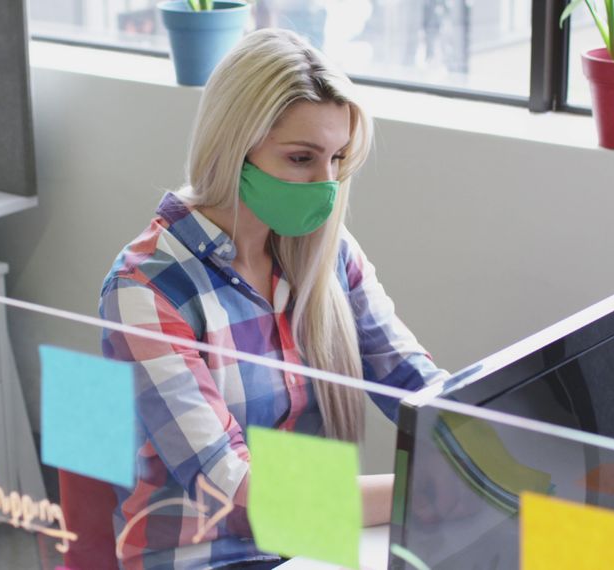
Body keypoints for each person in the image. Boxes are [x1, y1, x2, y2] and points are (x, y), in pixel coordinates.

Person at [99, 28, 447, 570]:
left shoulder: (328, 255)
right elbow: (240, 489)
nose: (326, 184)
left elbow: (413, 380)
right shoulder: (146, 288)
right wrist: (421, 490)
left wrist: (492, 443)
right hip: (206, 556)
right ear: (235, 146)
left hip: (313, 544)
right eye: (302, 158)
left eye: (338, 158)